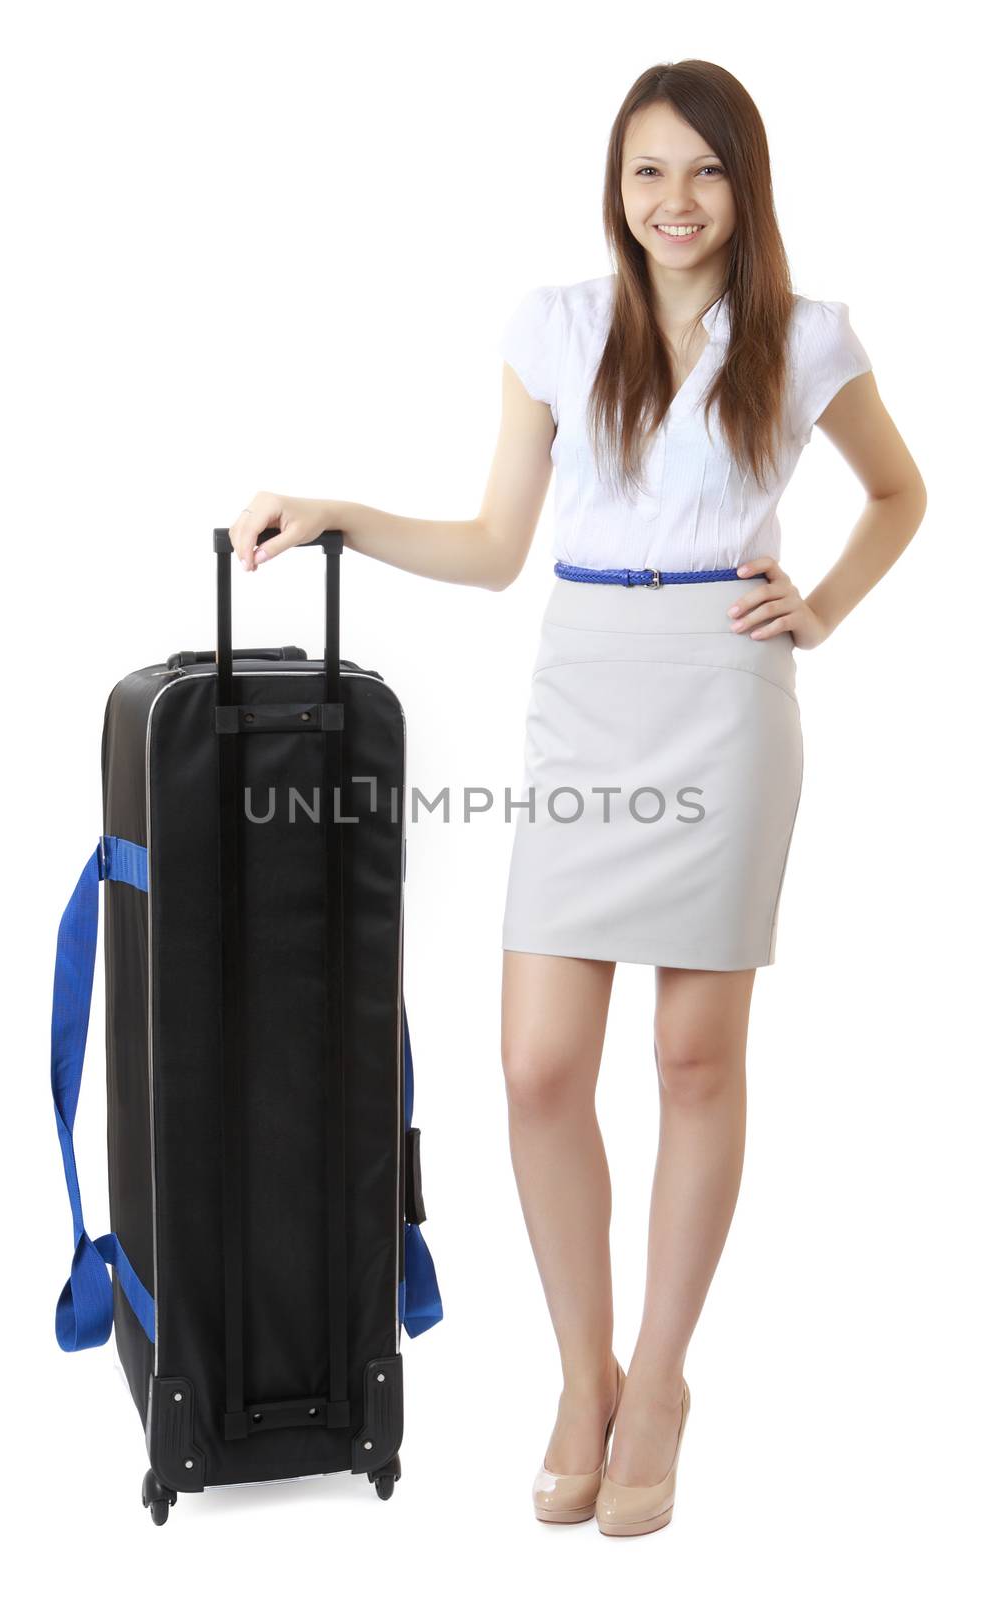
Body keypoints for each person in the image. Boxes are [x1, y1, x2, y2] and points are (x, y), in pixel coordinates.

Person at [228, 60, 926, 1538]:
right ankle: (579, 1373)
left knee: (690, 1059)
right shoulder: (554, 328)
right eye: (645, 174)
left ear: (748, 184)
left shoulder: (806, 341)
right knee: (540, 1067)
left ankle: (660, 1383)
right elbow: (495, 548)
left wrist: (828, 606)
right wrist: (337, 506)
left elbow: (898, 494)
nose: (674, 203)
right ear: (615, 190)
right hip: (585, 686)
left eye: (703, 172)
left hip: (724, 702)